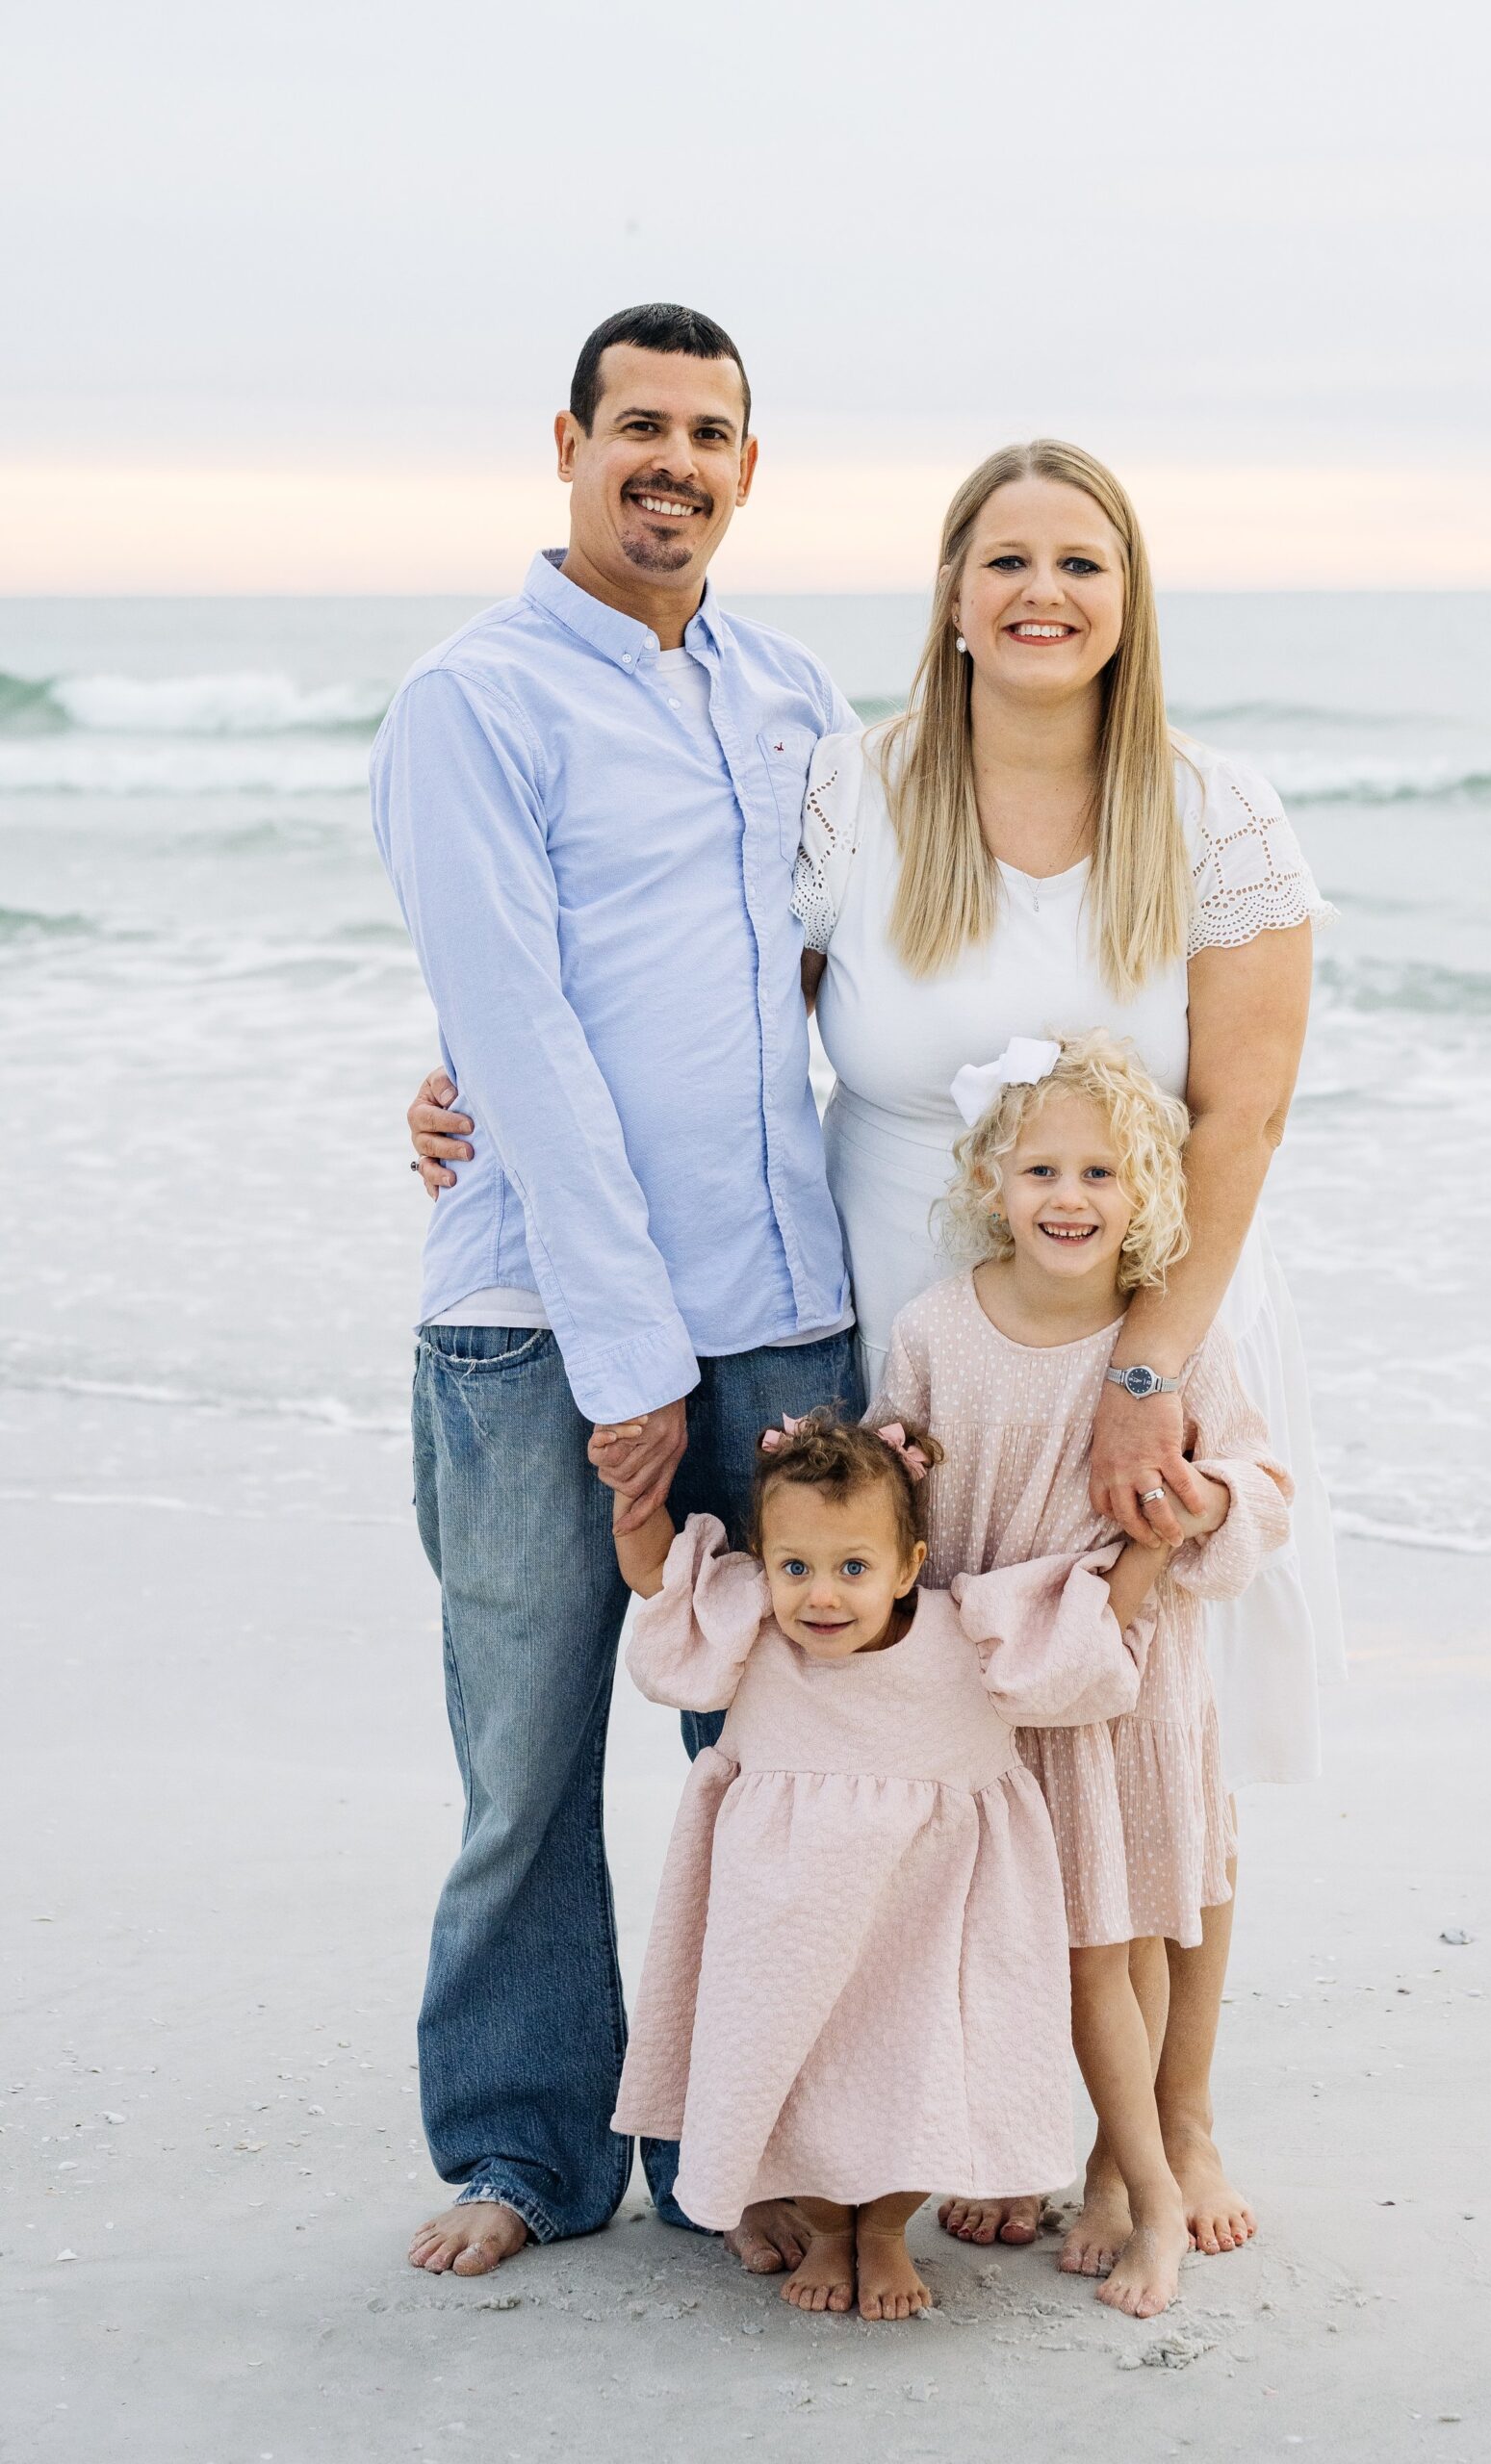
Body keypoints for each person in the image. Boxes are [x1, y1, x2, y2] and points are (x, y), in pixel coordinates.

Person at [788, 441, 1340, 2255]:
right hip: (914, 1333)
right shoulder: (852, 794)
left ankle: (1168, 2127)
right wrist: (464, 1090)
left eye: (1080, 563)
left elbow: (1243, 1114)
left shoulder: (1214, 812)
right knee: (961, 1734)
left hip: (1150, 1323)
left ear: (1127, 598)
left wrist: (1146, 1374)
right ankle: (997, 2106)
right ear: (951, 593)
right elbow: (714, 1026)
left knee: (1152, 1723)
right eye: (1007, 559)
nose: (1042, 592)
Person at [372, 302, 862, 2280]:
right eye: (637, 424)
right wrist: (629, 1360)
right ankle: (525, 2147)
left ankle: (748, 2141)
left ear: (750, 465)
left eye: (708, 432)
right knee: (527, 1760)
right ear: (567, 442)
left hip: (786, 1303)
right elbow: (520, 1033)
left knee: (777, 1759)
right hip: (536, 1327)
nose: (673, 461)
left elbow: (839, 971)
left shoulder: (794, 691)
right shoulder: (471, 701)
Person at [873, 1032, 1294, 2306]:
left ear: (1150, 1190)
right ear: (988, 1182)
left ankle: (1123, 2160)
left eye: (1102, 1173)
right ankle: (1014, 2144)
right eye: (1042, 1170)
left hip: (1132, 1685)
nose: (1070, 1197)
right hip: (995, 1685)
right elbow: (897, 1498)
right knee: (1006, 1930)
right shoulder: (936, 1331)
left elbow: (1262, 1482)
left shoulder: (1169, 1340)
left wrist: (1204, 1504)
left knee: (1129, 1917)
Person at [594, 1407, 1170, 2320]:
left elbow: (1087, 1628)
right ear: (762, 1562)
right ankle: (829, 2230)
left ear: (909, 1568)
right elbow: (661, 1580)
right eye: (796, 1568)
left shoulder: (967, 1632)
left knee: (917, 2079)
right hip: (787, 1933)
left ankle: (888, 2230)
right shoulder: (752, 1624)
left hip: (921, 1928)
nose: (821, 1596)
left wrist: (1155, 1542)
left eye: (853, 1568)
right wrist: (633, 1493)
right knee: (789, 2081)